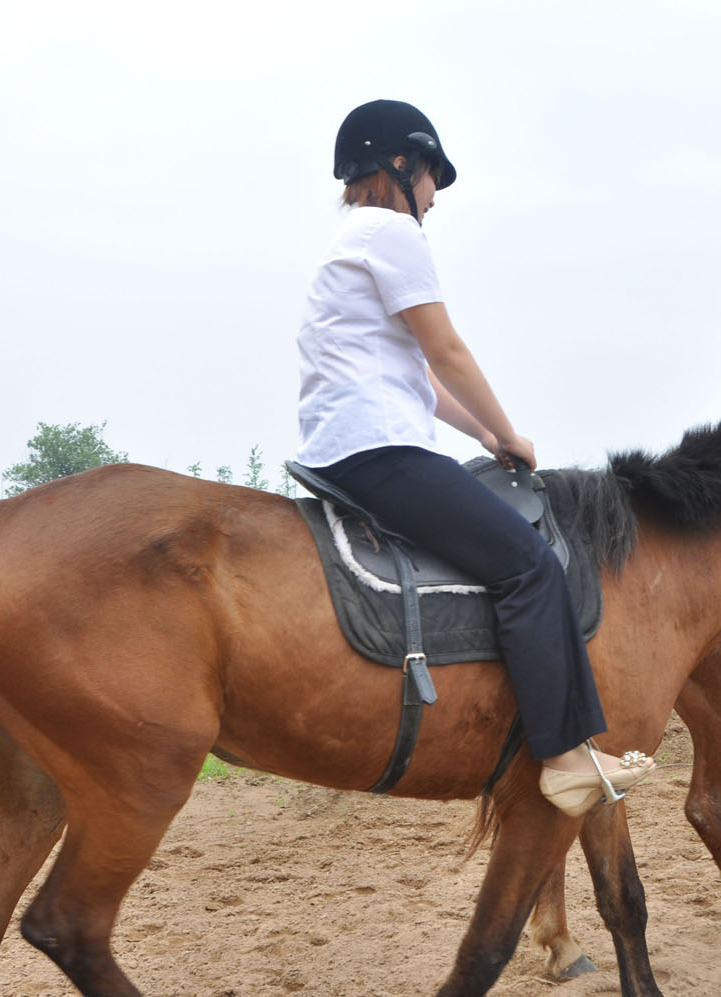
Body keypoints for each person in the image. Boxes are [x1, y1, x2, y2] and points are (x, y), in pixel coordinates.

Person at [294, 99, 655, 815]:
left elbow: (419, 383)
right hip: (379, 447)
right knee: (527, 562)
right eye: (430, 177)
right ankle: (564, 753)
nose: (432, 196)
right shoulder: (391, 232)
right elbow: (447, 352)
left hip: (352, 440)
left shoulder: (351, 242)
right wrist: (511, 429)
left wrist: (485, 440)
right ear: (399, 165)